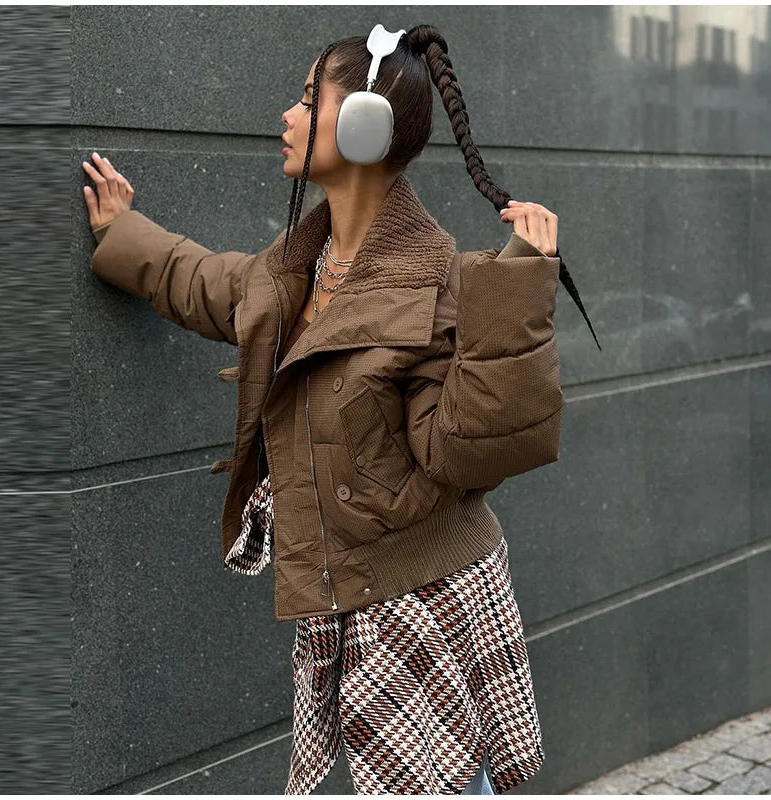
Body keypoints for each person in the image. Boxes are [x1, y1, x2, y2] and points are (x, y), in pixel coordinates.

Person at [82, 23, 597, 795]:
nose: (287, 117)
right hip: (352, 597)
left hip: (425, 601)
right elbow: (207, 284)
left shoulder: (432, 279)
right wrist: (121, 233)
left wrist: (521, 285)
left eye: (305, 100)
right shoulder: (300, 265)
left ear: (362, 124)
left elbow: (465, 451)